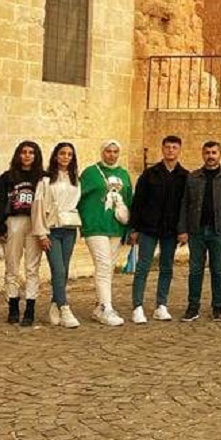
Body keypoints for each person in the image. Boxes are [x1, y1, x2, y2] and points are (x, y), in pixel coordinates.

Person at [177, 140, 221, 321]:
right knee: (195, 270)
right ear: (202, 154)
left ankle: (218, 307)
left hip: (219, 230)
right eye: (207, 153)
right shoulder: (193, 177)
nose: (210, 156)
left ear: (220, 154)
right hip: (197, 230)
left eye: (214, 153)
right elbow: (185, 204)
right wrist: (182, 229)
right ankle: (193, 306)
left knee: (218, 270)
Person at [128, 135, 189, 324]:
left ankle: (161, 305)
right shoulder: (149, 174)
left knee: (166, 267)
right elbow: (138, 201)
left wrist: (183, 229)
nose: (171, 150)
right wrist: (134, 228)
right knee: (143, 266)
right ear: (162, 149)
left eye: (174, 147)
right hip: (148, 228)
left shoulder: (185, 176)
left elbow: (186, 205)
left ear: (179, 150)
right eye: (167, 147)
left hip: (171, 230)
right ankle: (137, 306)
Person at [0, 140, 44, 327]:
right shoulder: (8, 177)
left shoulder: (42, 178)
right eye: (24, 152)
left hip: (35, 223)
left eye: (31, 152)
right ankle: (12, 306)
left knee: (32, 268)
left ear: (36, 156)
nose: (27, 156)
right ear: (18, 155)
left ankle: (30, 308)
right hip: (15, 221)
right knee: (12, 266)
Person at [77, 140, 133, 327]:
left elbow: (129, 199)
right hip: (95, 225)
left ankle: (99, 305)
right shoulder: (91, 173)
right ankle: (106, 307)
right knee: (103, 263)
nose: (111, 154)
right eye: (108, 151)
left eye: (115, 151)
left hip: (116, 227)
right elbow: (78, 196)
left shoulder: (124, 174)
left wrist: (130, 228)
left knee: (108, 267)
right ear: (102, 152)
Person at [32, 141, 82, 329]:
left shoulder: (75, 179)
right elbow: (37, 207)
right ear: (55, 156)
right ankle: (64, 307)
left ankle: (54, 304)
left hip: (69, 228)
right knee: (58, 269)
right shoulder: (45, 180)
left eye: (69, 154)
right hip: (51, 229)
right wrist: (41, 233)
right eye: (62, 154)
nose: (66, 157)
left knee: (64, 270)